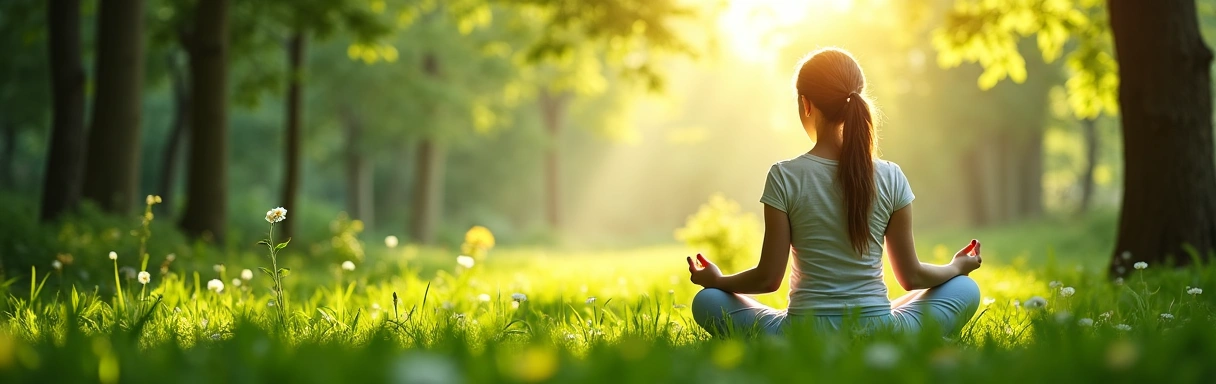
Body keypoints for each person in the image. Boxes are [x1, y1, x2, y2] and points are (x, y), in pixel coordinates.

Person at [685, 48, 982, 337]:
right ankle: (873, 334)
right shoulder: (891, 175)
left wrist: (719, 280)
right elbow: (911, 277)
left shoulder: (785, 176)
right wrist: (956, 266)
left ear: (806, 104)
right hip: (880, 331)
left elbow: (768, 278)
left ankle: (803, 344)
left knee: (708, 301)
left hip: (803, 335)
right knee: (965, 288)